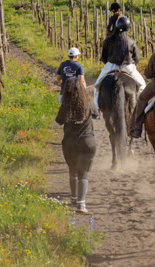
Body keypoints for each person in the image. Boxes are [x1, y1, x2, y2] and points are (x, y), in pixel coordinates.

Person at [55, 75, 98, 214]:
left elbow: (59, 121)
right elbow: (97, 114)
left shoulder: (65, 106)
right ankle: (81, 205)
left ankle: (73, 198)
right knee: (83, 174)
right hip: (87, 143)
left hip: (70, 143)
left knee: (72, 170)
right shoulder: (89, 103)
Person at [93, 15, 146, 108]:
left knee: (96, 86)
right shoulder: (131, 41)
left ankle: (96, 110)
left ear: (116, 26)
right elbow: (136, 58)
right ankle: (140, 109)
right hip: (128, 67)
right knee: (142, 85)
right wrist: (132, 65)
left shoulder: (108, 40)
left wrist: (110, 65)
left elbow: (103, 57)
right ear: (128, 27)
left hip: (110, 66)